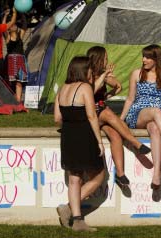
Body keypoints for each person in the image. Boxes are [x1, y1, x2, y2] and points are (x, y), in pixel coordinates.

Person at [120, 44, 161, 202]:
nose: (144, 60)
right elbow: (130, 98)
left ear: (157, 58)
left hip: (159, 114)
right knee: (156, 111)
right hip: (139, 112)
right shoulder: (136, 73)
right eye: (143, 56)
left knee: (155, 129)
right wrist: (121, 119)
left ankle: (156, 176)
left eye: (148, 57)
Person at [54, 56, 110, 232]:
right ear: (84, 70)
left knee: (74, 178)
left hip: (68, 136)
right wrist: (99, 141)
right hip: (84, 135)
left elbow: (57, 119)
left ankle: (77, 219)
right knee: (99, 176)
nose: (92, 73)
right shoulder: (85, 87)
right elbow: (92, 115)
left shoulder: (62, 88)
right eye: (90, 71)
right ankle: (69, 209)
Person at [87, 46, 151, 189]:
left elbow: (118, 87)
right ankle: (135, 142)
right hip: (89, 115)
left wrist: (110, 80)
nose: (107, 61)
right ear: (97, 59)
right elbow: (91, 91)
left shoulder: (102, 73)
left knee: (115, 135)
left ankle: (120, 175)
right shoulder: (87, 73)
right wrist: (103, 77)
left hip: (100, 111)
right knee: (107, 112)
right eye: (105, 58)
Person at [5, 13, 28, 102]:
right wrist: (6, 16)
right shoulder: (7, 37)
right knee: (11, 81)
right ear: (9, 28)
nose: (14, 25)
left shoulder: (20, 36)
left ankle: (18, 100)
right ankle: (11, 99)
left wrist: (22, 14)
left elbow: (25, 25)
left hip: (20, 60)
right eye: (12, 25)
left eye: (14, 24)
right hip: (11, 60)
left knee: (19, 81)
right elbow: (3, 27)